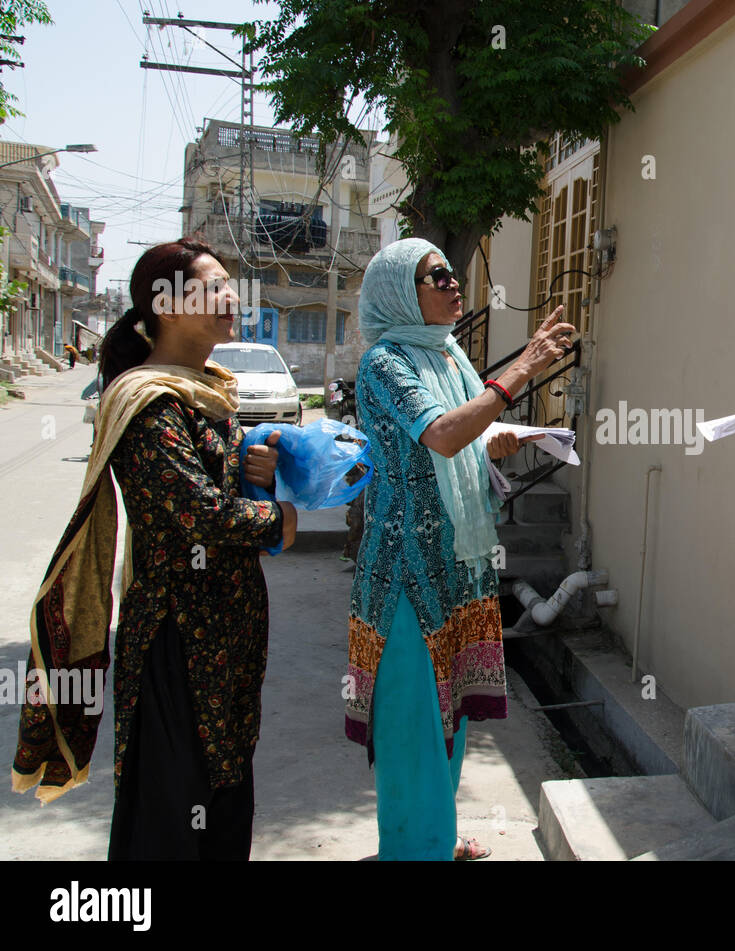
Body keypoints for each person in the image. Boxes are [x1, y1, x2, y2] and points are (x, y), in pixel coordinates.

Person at [11, 238, 298, 861]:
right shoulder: (148, 401)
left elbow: (222, 493)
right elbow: (198, 512)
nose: (232, 299)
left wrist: (259, 471)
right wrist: (276, 519)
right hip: (178, 630)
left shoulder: (208, 391)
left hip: (231, 624)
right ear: (166, 305)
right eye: (215, 286)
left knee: (224, 788)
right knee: (174, 802)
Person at [346, 237, 574, 860]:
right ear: (401, 293)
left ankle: (434, 840)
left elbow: (466, 434)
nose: (452, 286)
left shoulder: (447, 355)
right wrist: (521, 368)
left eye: (451, 274)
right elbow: (444, 435)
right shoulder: (386, 362)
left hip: (461, 565)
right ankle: (412, 851)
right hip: (407, 572)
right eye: (436, 276)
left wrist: (498, 438)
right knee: (413, 724)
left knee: (449, 716)